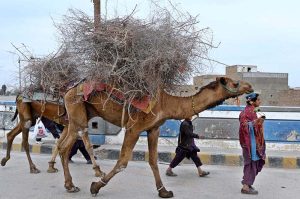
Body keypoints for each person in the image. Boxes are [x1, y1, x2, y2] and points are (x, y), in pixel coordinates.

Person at [239, 92, 266, 195]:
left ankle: (248, 183)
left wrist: (259, 121)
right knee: (249, 164)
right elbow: (243, 126)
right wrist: (254, 123)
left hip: (256, 144)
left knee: (255, 163)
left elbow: (260, 117)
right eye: (258, 100)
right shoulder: (244, 113)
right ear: (251, 101)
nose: (260, 101)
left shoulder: (255, 110)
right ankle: (245, 187)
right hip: (249, 144)